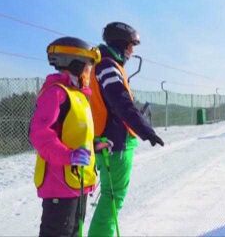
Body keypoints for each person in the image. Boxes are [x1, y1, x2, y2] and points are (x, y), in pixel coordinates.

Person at [88, 22, 165, 237]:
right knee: (112, 198)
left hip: (111, 138)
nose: (132, 51)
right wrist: (146, 130)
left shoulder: (103, 64)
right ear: (122, 44)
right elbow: (120, 102)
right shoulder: (108, 65)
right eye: (131, 46)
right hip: (115, 141)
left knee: (111, 197)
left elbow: (115, 102)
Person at [29, 37, 101, 237]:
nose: (89, 73)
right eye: (88, 67)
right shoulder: (56, 94)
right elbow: (39, 134)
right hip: (59, 184)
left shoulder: (78, 95)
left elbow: (74, 134)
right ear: (76, 65)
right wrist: (68, 156)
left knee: (75, 232)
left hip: (78, 182)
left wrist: (95, 145)